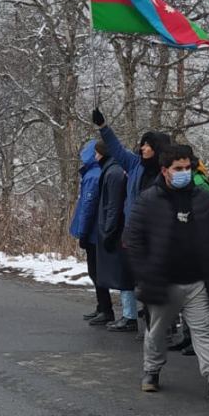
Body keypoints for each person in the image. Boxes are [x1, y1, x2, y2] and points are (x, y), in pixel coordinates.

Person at [123, 144, 209, 402]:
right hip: (164, 281)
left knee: (204, 331)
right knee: (157, 333)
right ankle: (151, 371)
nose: (184, 173)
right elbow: (133, 240)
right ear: (165, 170)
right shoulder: (149, 199)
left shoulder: (201, 197)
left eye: (188, 168)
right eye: (178, 169)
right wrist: (144, 273)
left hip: (196, 280)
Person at [91, 107, 171, 331]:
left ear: (156, 148)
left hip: (155, 236)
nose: (142, 147)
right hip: (133, 233)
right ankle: (147, 321)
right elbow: (116, 149)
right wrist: (103, 127)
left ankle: (166, 323)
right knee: (137, 279)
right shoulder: (135, 164)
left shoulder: (166, 172)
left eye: (146, 144)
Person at [71, 140, 113, 325]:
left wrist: (82, 232)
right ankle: (101, 307)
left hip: (94, 232)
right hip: (98, 230)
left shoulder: (92, 176)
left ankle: (105, 309)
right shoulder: (99, 172)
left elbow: (88, 207)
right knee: (96, 270)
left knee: (95, 271)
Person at [92, 138, 134, 325]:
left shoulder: (113, 172)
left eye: (97, 152)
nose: (95, 156)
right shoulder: (112, 170)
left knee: (123, 275)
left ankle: (129, 315)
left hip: (115, 231)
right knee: (122, 273)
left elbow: (113, 206)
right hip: (115, 229)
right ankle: (128, 313)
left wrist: (108, 231)